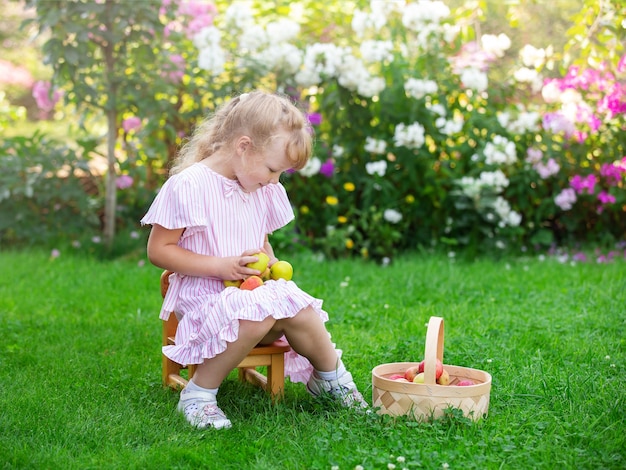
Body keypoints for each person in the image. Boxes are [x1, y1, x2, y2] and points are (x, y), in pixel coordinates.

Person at [141, 90, 368, 430]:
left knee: (301, 309)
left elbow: (261, 244)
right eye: (273, 169)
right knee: (256, 313)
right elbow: (159, 250)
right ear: (243, 147)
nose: (275, 181)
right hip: (205, 299)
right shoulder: (188, 185)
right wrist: (221, 267)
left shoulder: (260, 185)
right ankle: (199, 393)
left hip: (249, 293)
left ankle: (331, 379)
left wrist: (271, 271)